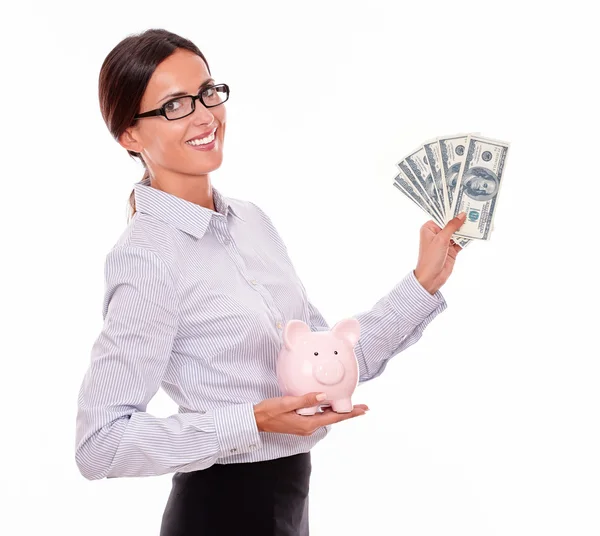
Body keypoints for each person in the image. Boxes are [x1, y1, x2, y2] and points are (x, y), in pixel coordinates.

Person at [74, 28, 468, 536]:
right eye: (174, 105)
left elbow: (336, 362)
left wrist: (423, 282)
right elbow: (99, 444)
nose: (203, 116)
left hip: (289, 505)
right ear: (130, 135)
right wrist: (252, 421)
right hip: (218, 513)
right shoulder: (147, 257)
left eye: (207, 92)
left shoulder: (252, 223)